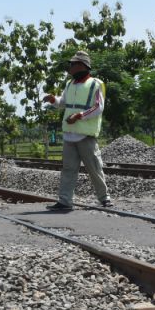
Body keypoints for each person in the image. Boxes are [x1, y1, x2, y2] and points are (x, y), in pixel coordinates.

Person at [42, 50, 111, 211]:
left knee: (94, 168)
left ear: (81, 65)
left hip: (86, 135)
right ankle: (65, 201)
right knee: (68, 169)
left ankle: (104, 198)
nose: (70, 68)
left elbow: (98, 108)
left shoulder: (96, 84)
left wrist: (79, 116)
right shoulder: (69, 84)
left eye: (72, 64)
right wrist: (53, 100)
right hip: (69, 135)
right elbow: (63, 103)